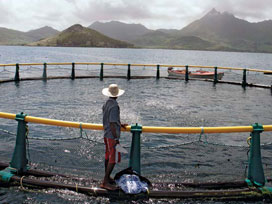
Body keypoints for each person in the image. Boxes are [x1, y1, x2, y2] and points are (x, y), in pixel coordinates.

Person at [101, 84, 127, 190]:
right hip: (112, 136)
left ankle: (107, 177)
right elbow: (112, 123)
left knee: (108, 156)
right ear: (117, 95)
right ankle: (105, 182)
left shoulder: (106, 103)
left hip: (106, 134)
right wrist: (116, 139)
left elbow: (109, 119)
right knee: (113, 159)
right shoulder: (115, 106)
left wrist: (119, 124)